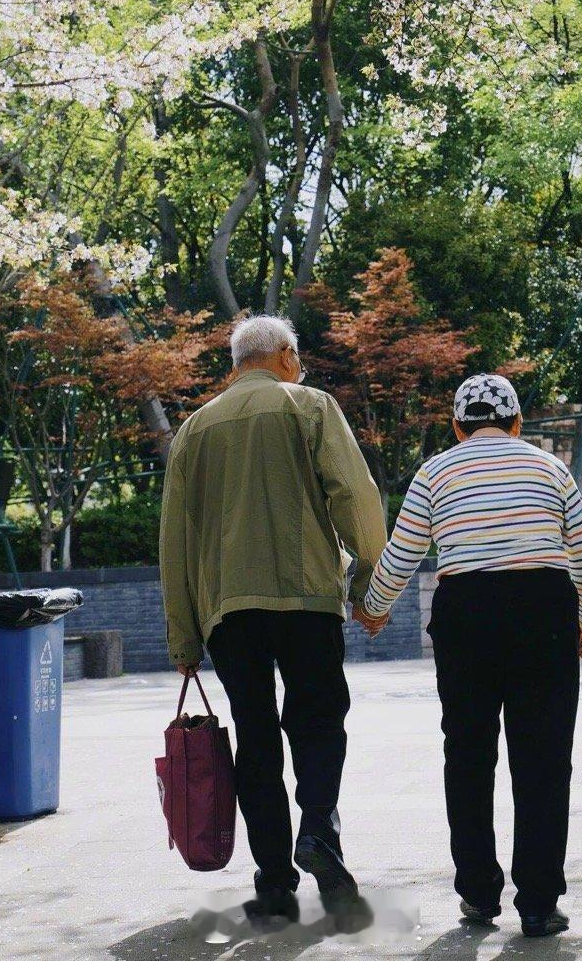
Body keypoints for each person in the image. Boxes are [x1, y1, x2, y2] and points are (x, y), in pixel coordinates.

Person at [359, 373, 582, 939]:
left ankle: (476, 894)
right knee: (543, 758)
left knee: (468, 755)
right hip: (543, 609)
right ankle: (540, 903)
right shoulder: (549, 468)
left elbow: (403, 553)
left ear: (457, 426)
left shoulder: (435, 471)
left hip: (465, 613)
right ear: (517, 423)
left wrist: (375, 608)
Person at [159, 314, 387, 925]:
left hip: (228, 610)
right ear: (285, 356)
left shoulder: (194, 429)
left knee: (254, 734)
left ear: (238, 364)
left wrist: (183, 633)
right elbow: (355, 495)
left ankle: (274, 877)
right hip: (306, 596)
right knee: (317, 719)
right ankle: (318, 831)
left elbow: (175, 540)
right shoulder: (308, 406)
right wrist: (371, 582)